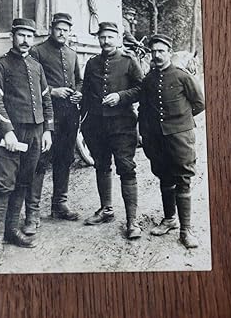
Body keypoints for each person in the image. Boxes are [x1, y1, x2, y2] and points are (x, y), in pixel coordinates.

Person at [0, 18, 53, 267]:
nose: (25, 40)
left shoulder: (36, 66)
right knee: (3, 184)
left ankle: (12, 230)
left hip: (35, 134)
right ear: (12, 36)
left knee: (24, 180)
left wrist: (47, 130)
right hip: (9, 136)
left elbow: (46, 100)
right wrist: (7, 131)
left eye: (29, 36)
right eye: (21, 35)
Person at [138, 33, 205, 248]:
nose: (157, 55)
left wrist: (180, 121)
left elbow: (199, 103)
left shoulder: (182, 76)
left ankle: (186, 230)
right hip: (156, 138)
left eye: (161, 51)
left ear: (169, 52)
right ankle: (169, 220)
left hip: (180, 137)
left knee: (183, 178)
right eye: (154, 51)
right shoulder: (148, 79)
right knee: (164, 177)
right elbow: (145, 107)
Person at [81, 22, 144, 239]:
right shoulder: (92, 63)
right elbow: (86, 90)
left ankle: (132, 221)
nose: (105, 41)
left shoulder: (129, 61)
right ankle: (106, 209)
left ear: (117, 38)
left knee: (126, 168)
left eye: (109, 37)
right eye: (102, 37)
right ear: (98, 39)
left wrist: (120, 97)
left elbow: (141, 89)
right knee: (101, 165)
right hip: (97, 125)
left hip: (122, 125)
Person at [23, 12, 82, 234]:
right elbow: (30, 83)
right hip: (46, 117)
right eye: (59, 28)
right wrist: (53, 91)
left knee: (65, 158)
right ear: (51, 28)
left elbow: (80, 81)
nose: (62, 32)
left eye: (66, 29)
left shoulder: (72, 54)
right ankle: (33, 212)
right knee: (40, 161)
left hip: (69, 117)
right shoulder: (37, 51)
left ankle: (59, 205)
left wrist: (78, 93)